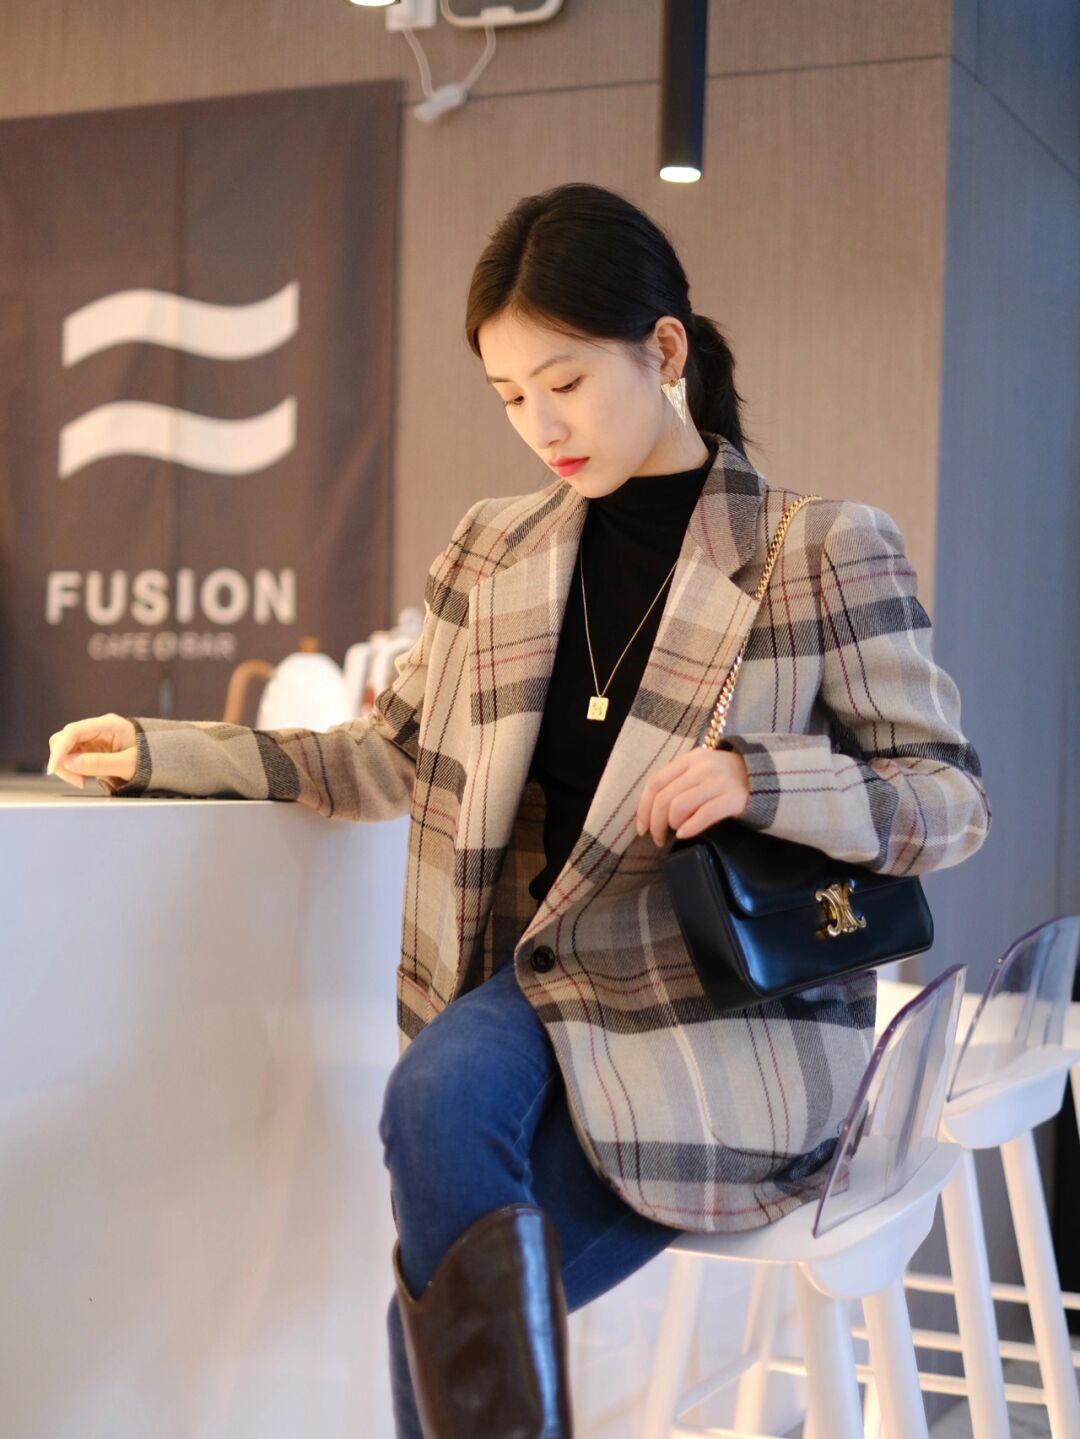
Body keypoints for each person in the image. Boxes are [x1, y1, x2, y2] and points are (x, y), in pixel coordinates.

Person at [46, 181, 992, 1439]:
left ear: (664, 350)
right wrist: (169, 752)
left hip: (720, 1018)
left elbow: (948, 801)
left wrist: (761, 777)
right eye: (508, 396)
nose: (542, 425)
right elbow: (385, 756)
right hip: (537, 984)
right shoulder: (492, 550)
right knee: (433, 1105)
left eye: (565, 382)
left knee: (443, 1321)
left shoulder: (819, 549)